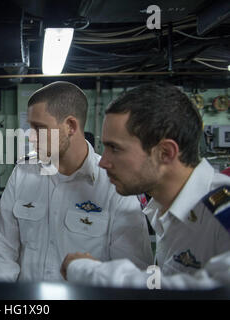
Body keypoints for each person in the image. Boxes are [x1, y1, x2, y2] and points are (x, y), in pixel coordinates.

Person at [61, 83, 230, 289]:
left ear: (165, 153)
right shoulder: (164, 210)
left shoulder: (222, 211)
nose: (103, 162)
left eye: (115, 148)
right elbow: (161, 284)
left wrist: (88, 271)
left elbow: (215, 289)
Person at [0, 81, 153, 282]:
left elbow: (132, 271)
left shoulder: (113, 184)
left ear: (70, 126)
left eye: (39, 128)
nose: (31, 137)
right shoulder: (23, 172)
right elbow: (2, 246)